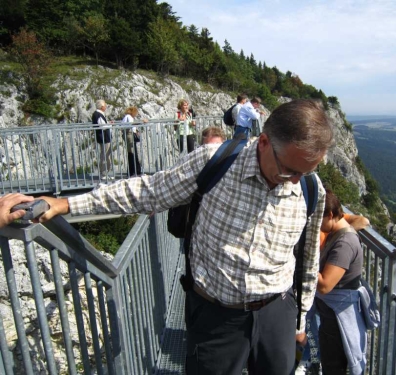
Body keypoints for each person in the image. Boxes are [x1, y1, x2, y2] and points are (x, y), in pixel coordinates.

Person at [37, 99, 334, 375]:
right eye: (289, 171)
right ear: (265, 143)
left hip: (277, 313)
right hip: (217, 316)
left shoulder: (311, 188)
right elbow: (147, 191)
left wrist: (301, 318)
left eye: (305, 172)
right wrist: (65, 204)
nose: (295, 181)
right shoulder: (214, 162)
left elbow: (307, 259)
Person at [296, 209, 370, 375]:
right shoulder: (310, 214)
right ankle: (309, 357)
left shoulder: (330, 220)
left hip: (323, 286)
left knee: (316, 329)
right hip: (313, 286)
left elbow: (363, 220)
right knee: (310, 329)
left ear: (329, 215)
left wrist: (340, 235)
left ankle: (311, 359)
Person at [315, 189, 367, 375]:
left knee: (333, 366)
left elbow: (325, 285)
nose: (316, 225)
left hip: (337, 318)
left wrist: (302, 262)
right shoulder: (335, 232)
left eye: (317, 219)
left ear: (330, 215)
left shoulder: (344, 243)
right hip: (331, 315)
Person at [122, 106, 147, 177]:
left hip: (129, 135)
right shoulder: (128, 117)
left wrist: (136, 131)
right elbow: (131, 124)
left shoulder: (126, 117)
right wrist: (141, 122)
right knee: (132, 153)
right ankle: (134, 172)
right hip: (129, 136)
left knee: (132, 153)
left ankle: (134, 171)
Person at [93, 99, 114, 180]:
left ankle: (105, 173)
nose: (106, 106)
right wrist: (110, 125)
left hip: (104, 137)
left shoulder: (98, 114)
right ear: (102, 106)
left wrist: (108, 124)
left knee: (105, 155)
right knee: (105, 155)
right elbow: (102, 126)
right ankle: (103, 173)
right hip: (104, 137)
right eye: (105, 105)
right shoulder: (98, 114)